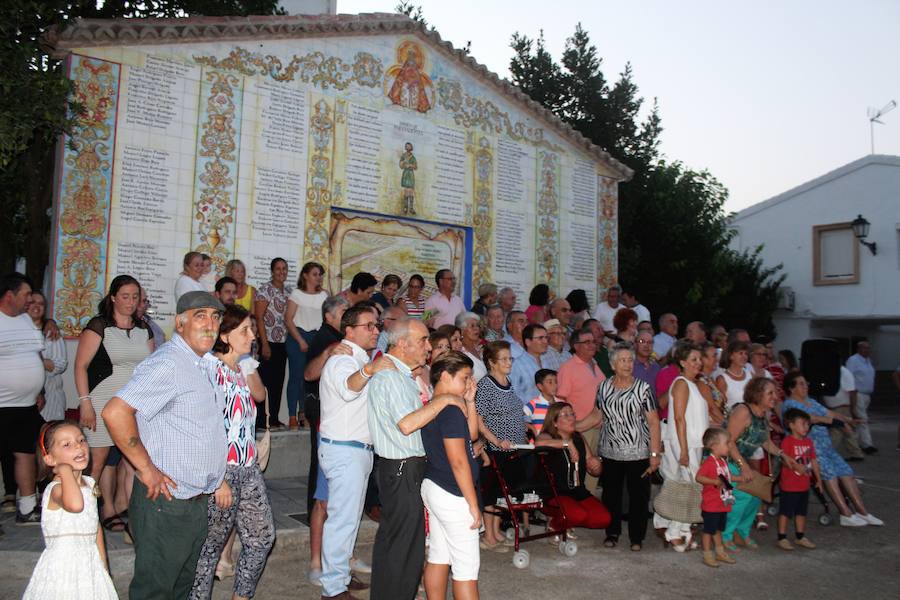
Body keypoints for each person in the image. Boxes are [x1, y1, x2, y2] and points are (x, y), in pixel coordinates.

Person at [102, 291, 228, 600]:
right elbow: (116, 412)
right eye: (201, 316)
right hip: (166, 503)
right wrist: (146, 470)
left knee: (180, 587)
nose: (210, 325)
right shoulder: (169, 362)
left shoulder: (200, 365)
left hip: (193, 501)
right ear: (180, 323)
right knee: (156, 591)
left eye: (216, 318)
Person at [367, 319, 471, 600]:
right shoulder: (390, 377)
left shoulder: (401, 375)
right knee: (402, 550)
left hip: (404, 468)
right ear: (403, 343)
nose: (428, 346)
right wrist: (445, 399)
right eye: (424, 340)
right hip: (401, 468)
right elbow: (406, 424)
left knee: (402, 548)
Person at [190, 306, 275, 600]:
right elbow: (203, 429)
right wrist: (218, 480)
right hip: (221, 471)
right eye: (245, 331)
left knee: (262, 538)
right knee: (209, 548)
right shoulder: (209, 370)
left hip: (248, 468)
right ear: (224, 335)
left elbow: (257, 400)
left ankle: (241, 596)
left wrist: (247, 366)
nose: (253, 336)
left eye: (252, 329)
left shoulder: (240, 370)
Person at [318, 304, 396, 600]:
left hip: (355, 450)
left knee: (348, 520)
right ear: (348, 330)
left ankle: (340, 575)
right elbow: (349, 388)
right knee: (342, 521)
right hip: (344, 451)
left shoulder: (357, 358)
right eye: (369, 326)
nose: (376, 330)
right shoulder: (343, 360)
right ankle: (332, 590)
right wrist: (370, 369)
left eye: (377, 325)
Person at [74, 274, 153, 533]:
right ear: (113, 298)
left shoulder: (144, 329)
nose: (131, 302)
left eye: (135, 297)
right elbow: (81, 366)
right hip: (101, 402)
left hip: (133, 406)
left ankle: (116, 508)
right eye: (125, 296)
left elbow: (150, 370)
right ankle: (81, 516)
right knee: (97, 462)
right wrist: (85, 402)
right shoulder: (99, 326)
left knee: (129, 460)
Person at [577, 342, 661, 551]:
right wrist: (574, 427)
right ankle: (612, 533)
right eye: (622, 360)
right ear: (613, 365)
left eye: (630, 360)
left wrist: (654, 453)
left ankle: (637, 537)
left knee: (638, 497)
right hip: (610, 451)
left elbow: (653, 422)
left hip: (638, 452)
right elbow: (597, 415)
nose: (627, 364)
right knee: (611, 495)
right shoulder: (603, 387)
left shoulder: (643, 388)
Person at [22, 421, 117, 599]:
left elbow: (94, 527)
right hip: (64, 568)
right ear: (50, 459)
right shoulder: (56, 489)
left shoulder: (90, 484)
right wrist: (65, 470)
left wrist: (104, 567)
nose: (78, 446)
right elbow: (75, 505)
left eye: (81, 440)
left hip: (89, 565)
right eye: (67, 444)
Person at [781, 372, 883, 527]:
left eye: (806, 383)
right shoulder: (789, 405)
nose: (806, 386)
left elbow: (830, 412)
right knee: (830, 473)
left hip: (825, 446)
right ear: (791, 388)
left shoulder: (812, 401)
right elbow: (810, 418)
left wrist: (848, 419)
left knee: (846, 472)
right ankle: (845, 513)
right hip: (807, 450)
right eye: (801, 384)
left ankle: (862, 512)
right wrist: (835, 422)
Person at [421, 352, 482, 600]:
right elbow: (458, 461)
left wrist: (470, 401)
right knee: (466, 568)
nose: (469, 383)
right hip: (453, 492)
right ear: (445, 376)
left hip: (436, 485)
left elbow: (472, 436)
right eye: (465, 377)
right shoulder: (449, 410)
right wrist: (473, 503)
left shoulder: (438, 406)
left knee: (439, 555)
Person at [302, 296, 351, 585]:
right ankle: (316, 561)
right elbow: (309, 374)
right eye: (344, 311)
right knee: (323, 499)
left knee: (344, 503)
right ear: (330, 315)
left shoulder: (344, 341)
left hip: (348, 432)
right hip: (328, 428)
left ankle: (342, 557)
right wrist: (331, 351)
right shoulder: (325, 339)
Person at [722, 377, 799, 551]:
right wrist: (744, 466)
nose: (775, 396)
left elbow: (764, 440)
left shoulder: (762, 414)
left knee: (757, 496)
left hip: (739, 460)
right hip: (724, 460)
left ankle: (741, 532)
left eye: (775, 392)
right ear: (757, 394)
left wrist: (782, 454)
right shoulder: (743, 411)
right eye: (770, 393)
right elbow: (728, 441)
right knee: (743, 496)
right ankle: (725, 534)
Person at [654, 341, 709, 551]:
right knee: (688, 487)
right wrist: (684, 450)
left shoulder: (693, 384)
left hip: (694, 442)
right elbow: (678, 418)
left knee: (683, 485)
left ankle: (678, 528)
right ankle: (674, 531)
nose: (698, 363)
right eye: (693, 360)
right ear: (683, 362)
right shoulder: (681, 384)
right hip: (683, 442)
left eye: (699, 359)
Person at [0, 273, 46, 524]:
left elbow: (35, 355)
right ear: (10, 296)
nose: (30, 300)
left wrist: (38, 388)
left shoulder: (26, 321)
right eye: (26, 295)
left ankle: (27, 507)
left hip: (25, 405)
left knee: (25, 453)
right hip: (1, 404)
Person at [475, 340, 527, 551]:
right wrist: (495, 440)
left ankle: (495, 532)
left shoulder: (507, 381)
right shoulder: (486, 385)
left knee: (501, 493)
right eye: (503, 359)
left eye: (510, 358)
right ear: (491, 362)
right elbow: (478, 418)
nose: (509, 362)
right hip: (496, 449)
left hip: (513, 448)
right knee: (492, 492)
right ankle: (489, 536)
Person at [536, 401, 609, 533]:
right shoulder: (548, 435)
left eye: (572, 414)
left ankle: (566, 521)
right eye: (565, 415)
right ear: (555, 422)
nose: (571, 418)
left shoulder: (579, 437)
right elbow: (539, 444)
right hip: (554, 493)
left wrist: (597, 466)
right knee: (578, 515)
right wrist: (567, 444)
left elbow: (593, 470)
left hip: (577, 491)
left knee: (603, 519)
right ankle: (555, 525)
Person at [556, 328, 605, 492]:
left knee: (594, 471)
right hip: (580, 430)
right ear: (576, 346)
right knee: (580, 473)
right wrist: (569, 429)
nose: (592, 344)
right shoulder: (568, 367)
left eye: (593, 341)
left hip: (598, 428)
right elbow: (560, 400)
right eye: (587, 342)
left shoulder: (596, 365)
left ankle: (589, 506)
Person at [285, 262, 329, 430]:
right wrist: (301, 340)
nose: (318, 277)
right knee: (296, 377)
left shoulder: (324, 295)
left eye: (320, 275)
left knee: (310, 378)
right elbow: (288, 319)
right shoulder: (296, 293)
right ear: (305, 275)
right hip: (298, 337)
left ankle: (304, 414)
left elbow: (326, 319)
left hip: (316, 338)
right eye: (315, 274)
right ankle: (291, 416)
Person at [776, 408, 823, 551]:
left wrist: (818, 479)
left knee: (802, 512)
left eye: (807, 424)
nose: (806, 427)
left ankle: (800, 536)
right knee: (785, 512)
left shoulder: (808, 442)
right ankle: (782, 537)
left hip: (804, 484)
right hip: (789, 485)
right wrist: (795, 467)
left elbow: (813, 460)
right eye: (803, 424)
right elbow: (783, 461)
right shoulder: (787, 442)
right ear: (792, 425)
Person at [255, 257, 292, 430]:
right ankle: (263, 420)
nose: (281, 272)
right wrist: (264, 344)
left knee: (278, 382)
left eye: (284, 269)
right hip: (268, 341)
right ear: (272, 271)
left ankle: (275, 418)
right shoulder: (265, 290)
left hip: (283, 343)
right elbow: (259, 318)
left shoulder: (289, 291)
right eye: (278, 269)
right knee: (266, 382)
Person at [694, 427, 737, 569]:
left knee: (718, 529)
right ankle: (707, 554)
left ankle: (719, 551)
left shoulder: (723, 462)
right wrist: (713, 482)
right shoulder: (709, 463)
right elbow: (699, 477)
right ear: (714, 446)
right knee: (708, 530)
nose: (729, 446)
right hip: (711, 505)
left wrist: (740, 478)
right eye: (726, 443)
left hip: (722, 503)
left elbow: (728, 478)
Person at [27, 291, 68, 422]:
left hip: (50, 400)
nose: (37, 306)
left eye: (41, 304)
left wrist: (32, 358)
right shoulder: (15, 330)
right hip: (20, 399)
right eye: (32, 302)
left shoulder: (52, 332)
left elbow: (59, 365)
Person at [822, 365, 865, 461]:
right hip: (834, 407)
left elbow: (853, 392)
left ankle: (828, 453)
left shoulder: (844, 372)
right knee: (846, 431)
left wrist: (853, 409)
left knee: (836, 431)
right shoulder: (829, 371)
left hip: (842, 406)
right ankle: (856, 453)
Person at [845, 341, 877, 454]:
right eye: (865, 348)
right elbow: (849, 376)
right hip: (857, 394)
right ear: (859, 349)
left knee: (859, 420)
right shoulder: (853, 360)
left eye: (868, 348)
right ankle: (867, 444)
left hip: (867, 395)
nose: (867, 350)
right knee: (863, 418)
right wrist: (851, 393)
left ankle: (855, 444)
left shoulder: (868, 361)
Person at [509, 324, 547, 406]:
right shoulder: (517, 364)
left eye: (546, 337)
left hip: (549, 413)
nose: (545, 341)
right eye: (540, 338)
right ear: (528, 342)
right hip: (528, 415)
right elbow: (513, 394)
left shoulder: (546, 361)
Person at [716, 340, 751, 413]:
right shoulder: (722, 379)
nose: (744, 356)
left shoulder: (751, 375)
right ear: (731, 356)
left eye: (746, 354)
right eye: (740, 353)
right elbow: (721, 406)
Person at [697, 342, 727, 427]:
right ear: (703, 359)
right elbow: (712, 409)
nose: (717, 359)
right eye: (714, 356)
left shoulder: (710, 379)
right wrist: (728, 427)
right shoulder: (700, 382)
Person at [524, 369, 557, 437]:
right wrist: (531, 427)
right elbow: (515, 417)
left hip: (558, 440)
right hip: (541, 443)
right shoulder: (534, 404)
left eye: (556, 382)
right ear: (540, 386)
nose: (555, 385)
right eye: (550, 382)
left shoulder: (561, 403)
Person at [456, 311, 487, 381]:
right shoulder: (460, 352)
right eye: (472, 326)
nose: (477, 329)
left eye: (478, 325)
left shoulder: (479, 348)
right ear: (462, 330)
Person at [632, 330, 660, 394]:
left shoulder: (656, 367)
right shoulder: (628, 366)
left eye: (650, 342)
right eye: (642, 341)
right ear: (635, 344)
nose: (646, 345)